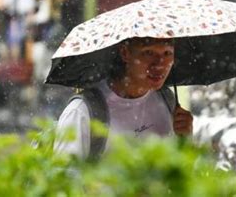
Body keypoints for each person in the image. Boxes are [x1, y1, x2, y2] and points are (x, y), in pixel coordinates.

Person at [54, 37, 194, 160]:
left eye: (167, 53)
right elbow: (64, 180)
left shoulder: (167, 100)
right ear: (125, 53)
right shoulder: (83, 111)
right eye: (149, 53)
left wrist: (184, 138)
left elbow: (177, 172)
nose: (159, 64)